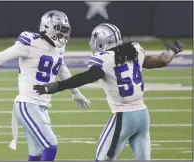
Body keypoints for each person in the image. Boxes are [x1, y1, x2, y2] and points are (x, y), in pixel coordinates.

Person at [33, 23, 184, 161]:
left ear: (103, 40)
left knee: (102, 159)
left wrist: (56, 86)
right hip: (143, 116)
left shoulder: (104, 59)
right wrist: (172, 51)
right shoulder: (134, 50)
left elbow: (86, 77)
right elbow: (161, 61)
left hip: (123, 117)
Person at [0, 10, 90, 161]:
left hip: (42, 106)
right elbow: (1, 57)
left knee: (36, 153)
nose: (63, 35)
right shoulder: (30, 44)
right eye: (59, 30)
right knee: (51, 145)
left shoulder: (58, 48)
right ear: (47, 27)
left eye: (64, 31)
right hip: (27, 104)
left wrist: (75, 92)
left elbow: (61, 69)